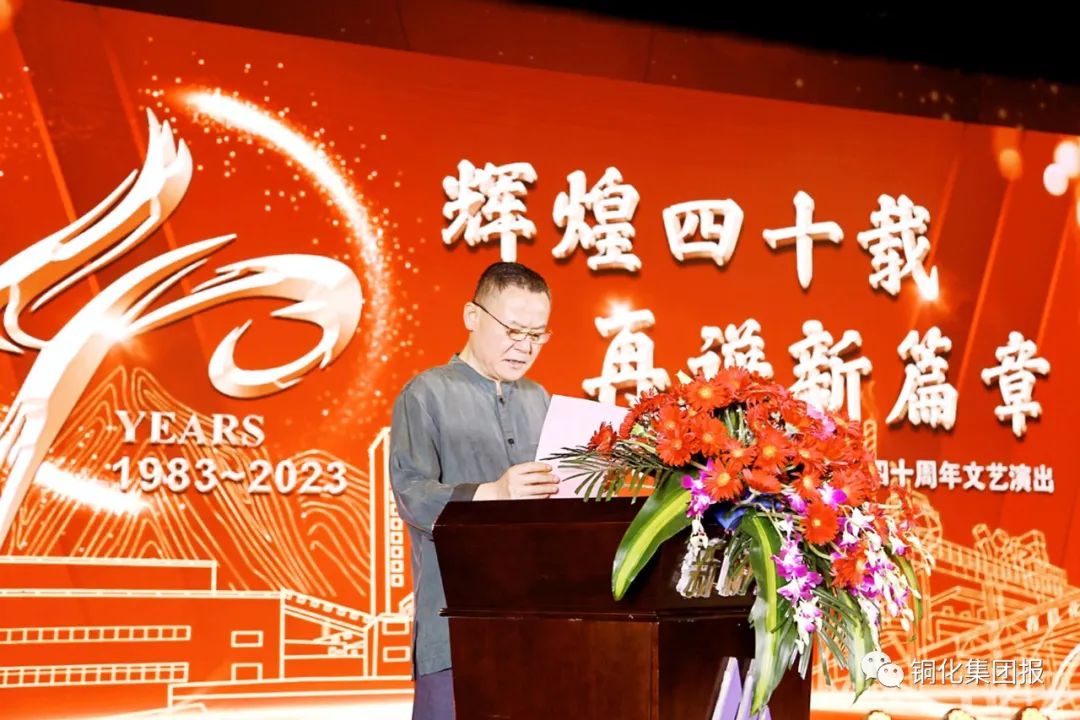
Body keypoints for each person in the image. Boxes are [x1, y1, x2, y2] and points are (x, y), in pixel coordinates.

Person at [389, 261, 559, 720]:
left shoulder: (539, 399)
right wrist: (493, 492)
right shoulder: (425, 393)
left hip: (538, 621)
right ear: (472, 316)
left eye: (537, 335)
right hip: (454, 621)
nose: (524, 346)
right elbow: (411, 494)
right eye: (513, 330)